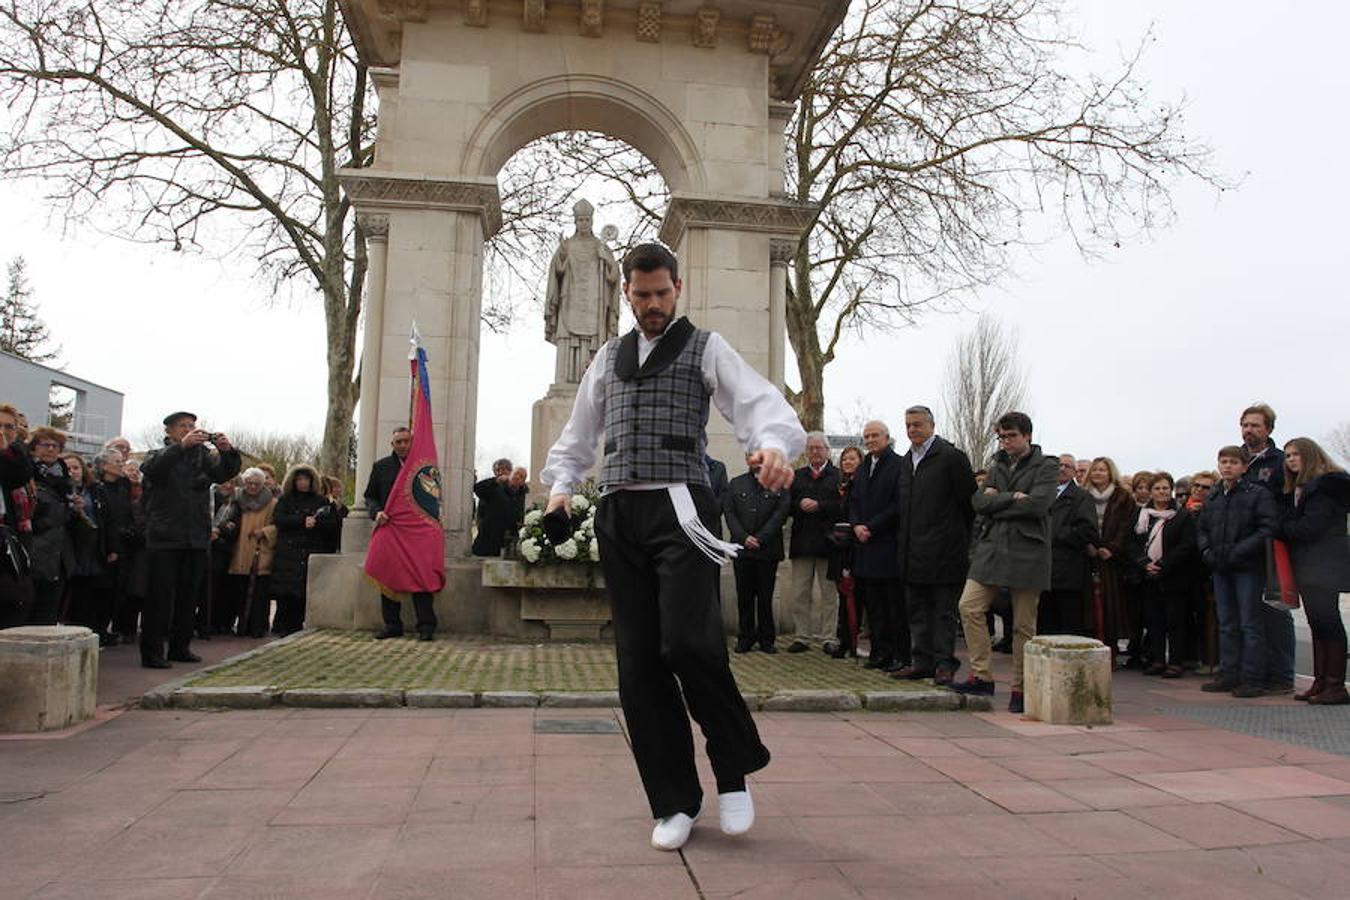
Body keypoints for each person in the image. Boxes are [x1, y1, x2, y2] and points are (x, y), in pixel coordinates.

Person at [541, 242, 805, 852]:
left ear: (677, 289)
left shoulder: (706, 347)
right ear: (625, 295)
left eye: (662, 293)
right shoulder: (606, 359)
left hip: (682, 508)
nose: (652, 304)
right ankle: (674, 801)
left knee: (689, 643)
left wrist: (769, 449)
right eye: (641, 296)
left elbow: (759, 405)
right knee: (638, 666)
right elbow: (579, 436)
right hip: (618, 513)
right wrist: (560, 490)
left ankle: (733, 768)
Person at [952, 412, 1058, 714]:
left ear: (1027, 435)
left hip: (1028, 550)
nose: (1006, 441)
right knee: (968, 606)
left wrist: (999, 500)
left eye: (1011, 435)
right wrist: (1014, 498)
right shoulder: (997, 464)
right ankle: (981, 675)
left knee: (1024, 625)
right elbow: (979, 503)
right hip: (993, 547)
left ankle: (1021, 687)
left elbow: (1039, 504)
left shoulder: (1046, 465)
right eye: (1002, 436)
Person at [138, 412, 240, 668]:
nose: (189, 429)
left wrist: (227, 451)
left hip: (195, 536)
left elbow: (223, 473)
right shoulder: (158, 455)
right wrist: (181, 447)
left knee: (188, 596)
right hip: (165, 537)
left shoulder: (202, 457)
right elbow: (152, 468)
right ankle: (152, 652)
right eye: (182, 426)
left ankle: (180, 646)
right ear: (170, 431)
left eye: (192, 426)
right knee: (159, 598)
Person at [892, 406, 975, 684]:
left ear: (931, 425)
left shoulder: (951, 458)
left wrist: (954, 537)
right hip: (912, 551)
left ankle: (944, 663)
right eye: (908, 425)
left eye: (917, 424)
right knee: (917, 611)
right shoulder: (907, 462)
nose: (912, 430)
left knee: (942, 612)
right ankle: (922, 661)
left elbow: (968, 503)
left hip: (945, 551)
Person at [1197, 446, 1277, 698]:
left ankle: (1253, 677)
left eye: (1233, 462)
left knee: (1250, 623)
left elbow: (1267, 528)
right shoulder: (1213, 496)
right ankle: (1229, 673)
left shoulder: (1257, 494)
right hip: (1220, 567)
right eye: (1223, 462)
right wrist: (1207, 552)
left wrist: (1239, 551)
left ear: (1244, 466)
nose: (1228, 466)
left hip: (1247, 567)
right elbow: (1202, 528)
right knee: (1226, 623)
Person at [1278, 438, 1349, 704]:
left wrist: (1282, 526)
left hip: (1323, 564)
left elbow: (1310, 528)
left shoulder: (1325, 487)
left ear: (1310, 455)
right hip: (1311, 565)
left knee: (1328, 622)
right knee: (1318, 622)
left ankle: (1335, 684)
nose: (1291, 460)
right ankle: (1321, 682)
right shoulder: (1303, 489)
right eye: (1287, 456)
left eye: (1296, 454)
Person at [1238, 403, 1295, 694]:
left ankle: (1283, 675)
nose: (1249, 430)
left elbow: (1286, 503)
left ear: (1268, 429)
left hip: (1269, 546)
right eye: (1245, 425)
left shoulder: (1279, 462)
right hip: (1241, 548)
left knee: (1275, 611)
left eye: (1255, 425)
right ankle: (1251, 672)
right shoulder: (1236, 460)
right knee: (1248, 616)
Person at [365, 426, 437, 640]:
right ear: (392, 445)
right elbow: (370, 496)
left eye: (406, 441)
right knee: (387, 576)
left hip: (417, 533)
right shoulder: (381, 467)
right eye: (399, 442)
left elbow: (432, 498)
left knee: (420, 575)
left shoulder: (424, 469)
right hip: (390, 528)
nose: (403, 445)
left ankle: (426, 626)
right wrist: (376, 512)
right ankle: (392, 626)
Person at [849, 420, 906, 672]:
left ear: (886, 437)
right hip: (865, 547)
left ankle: (898, 654)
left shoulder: (899, 465)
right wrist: (856, 525)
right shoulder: (862, 469)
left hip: (887, 545)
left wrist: (871, 526)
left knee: (894, 606)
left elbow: (898, 504)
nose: (870, 440)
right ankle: (878, 652)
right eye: (867, 436)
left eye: (875, 436)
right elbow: (853, 501)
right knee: (874, 607)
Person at [1133, 472, 1202, 677]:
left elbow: (1187, 545)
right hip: (1148, 575)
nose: (1161, 492)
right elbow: (1133, 543)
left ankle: (1175, 661)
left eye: (1165, 488)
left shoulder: (1182, 515)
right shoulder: (1142, 515)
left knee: (1175, 620)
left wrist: (1164, 564)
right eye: (1157, 488)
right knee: (1154, 620)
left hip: (1174, 575)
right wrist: (1144, 563)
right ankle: (1157, 659)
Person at [724, 453, 791, 654]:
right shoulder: (736, 483)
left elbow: (781, 513)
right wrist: (743, 537)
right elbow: (729, 512)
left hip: (767, 551)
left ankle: (766, 639)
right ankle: (745, 637)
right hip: (742, 550)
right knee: (744, 597)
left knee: (765, 597)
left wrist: (760, 538)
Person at [786, 433, 841, 654]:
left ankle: (829, 636)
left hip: (829, 544)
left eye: (819, 448)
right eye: (811, 448)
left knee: (829, 595)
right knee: (800, 593)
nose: (815, 452)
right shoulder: (796, 476)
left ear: (827, 450)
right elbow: (786, 505)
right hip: (802, 543)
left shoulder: (837, 476)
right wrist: (799, 504)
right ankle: (802, 636)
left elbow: (843, 505)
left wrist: (820, 505)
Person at [270, 464, 338, 636]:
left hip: (309, 549)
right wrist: (301, 521)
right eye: (299, 479)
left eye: (305, 479)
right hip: (288, 552)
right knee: (285, 594)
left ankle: (296, 625)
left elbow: (332, 524)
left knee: (302, 593)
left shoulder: (320, 501)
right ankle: (281, 626)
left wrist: (316, 523)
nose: (302, 483)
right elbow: (279, 519)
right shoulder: (285, 500)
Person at [1038, 454, 1099, 638]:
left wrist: (1054, 533)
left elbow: (1088, 531)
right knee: (1045, 626)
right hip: (1042, 570)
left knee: (1069, 626)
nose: (1062, 468)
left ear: (1074, 471)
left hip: (1069, 573)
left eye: (1067, 466)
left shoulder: (1081, 497)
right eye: (1058, 465)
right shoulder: (1043, 494)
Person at [25, 427, 73, 626]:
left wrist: (73, 509)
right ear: (34, 448)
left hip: (58, 556)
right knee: (27, 611)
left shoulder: (65, 480)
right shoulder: (27, 475)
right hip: (35, 550)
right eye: (45, 444)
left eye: (56, 446)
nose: (51, 449)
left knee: (48, 614)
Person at [224, 468, 277, 637]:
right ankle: (240, 626)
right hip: (239, 552)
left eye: (256, 483)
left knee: (259, 595)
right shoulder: (237, 500)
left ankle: (257, 628)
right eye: (249, 483)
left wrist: (265, 532)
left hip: (260, 551)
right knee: (238, 592)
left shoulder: (272, 503)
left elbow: (278, 526)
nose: (252, 486)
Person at [827, 445, 864, 658]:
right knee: (843, 596)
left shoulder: (861, 486)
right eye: (845, 459)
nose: (848, 462)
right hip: (838, 547)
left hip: (855, 548)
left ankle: (853, 641)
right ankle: (844, 640)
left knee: (855, 597)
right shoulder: (841, 486)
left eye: (852, 459)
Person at [0, 404, 35, 626]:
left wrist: (4, 450)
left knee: (15, 597)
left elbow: (19, 476)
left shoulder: (15, 454)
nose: (2, 431)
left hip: (6, 533)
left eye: (8, 427)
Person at [472, 458, 518, 557]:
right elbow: (477, 488)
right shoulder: (492, 487)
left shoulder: (517, 490)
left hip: (506, 541)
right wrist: (496, 481)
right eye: (497, 470)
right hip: (487, 541)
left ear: (510, 471)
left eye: (504, 469)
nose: (501, 472)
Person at [321, 475, 349, 553]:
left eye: (339, 487)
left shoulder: (343, 507)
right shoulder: (326, 505)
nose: (338, 490)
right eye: (335, 487)